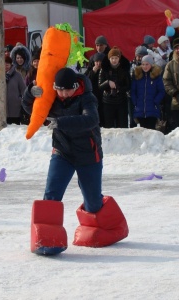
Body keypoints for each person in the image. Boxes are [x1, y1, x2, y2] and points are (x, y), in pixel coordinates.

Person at [22, 67, 129, 255]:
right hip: (62, 152)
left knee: (93, 202)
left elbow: (91, 120)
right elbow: (31, 108)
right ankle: (46, 240)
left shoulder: (87, 97)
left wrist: (61, 122)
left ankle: (113, 228)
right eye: (59, 90)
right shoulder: (53, 95)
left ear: (75, 87)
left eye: (67, 90)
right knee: (51, 195)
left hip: (88, 154)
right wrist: (30, 93)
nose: (63, 94)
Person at [0, 56, 26, 125]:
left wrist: (19, 101)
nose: (5, 67)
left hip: (15, 111)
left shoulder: (17, 75)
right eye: (3, 64)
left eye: (7, 65)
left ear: (11, 65)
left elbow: (24, 91)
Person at [98, 47, 130, 128]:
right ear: (109, 59)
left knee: (122, 126)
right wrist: (108, 83)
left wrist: (119, 88)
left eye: (116, 58)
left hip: (121, 101)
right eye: (112, 58)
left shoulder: (124, 69)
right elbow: (100, 86)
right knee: (109, 126)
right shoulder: (104, 69)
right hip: (108, 101)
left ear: (119, 58)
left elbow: (129, 85)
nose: (114, 60)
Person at [131, 55, 165, 130]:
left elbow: (161, 91)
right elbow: (133, 91)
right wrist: (135, 102)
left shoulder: (156, 77)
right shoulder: (137, 76)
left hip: (152, 109)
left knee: (151, 130)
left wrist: (156, 101)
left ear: (151, 65)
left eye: (147, 64)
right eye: (143, 64)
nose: (145, 66)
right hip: (140, 109)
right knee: (142, 131)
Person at [128, 46, 148, 128]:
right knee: (133, 118)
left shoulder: (150, 66)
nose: (140, 58)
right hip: (132, 95)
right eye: (138, 56)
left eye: (142, 56)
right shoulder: (131, 65)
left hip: (145, 95)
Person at [86, 52, 105, 126]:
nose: (98, 63)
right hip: (93, 95)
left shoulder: (105, 70)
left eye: (100, 61)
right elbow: (86, 81)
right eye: (97, 61)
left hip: (103, 97)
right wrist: (93, 72)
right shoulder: (91, 70)